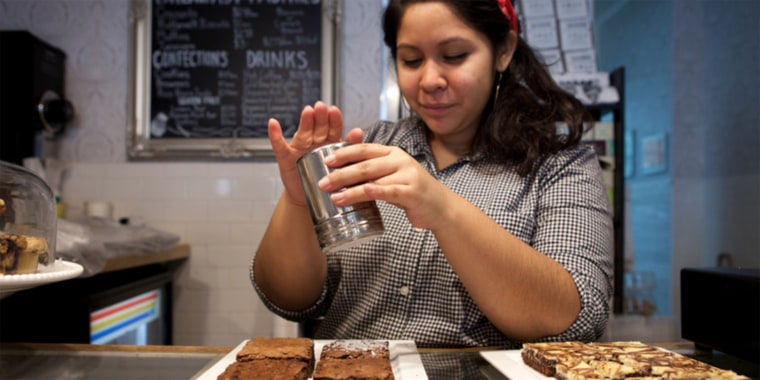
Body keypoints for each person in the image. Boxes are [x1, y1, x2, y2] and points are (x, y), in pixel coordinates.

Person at [251, 0, 613, 348]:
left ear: (503, 50)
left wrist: (443, 210)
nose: (430, 80)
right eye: (410, 60)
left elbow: (576, 319)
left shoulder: (560, 163)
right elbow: (290, 300)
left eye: (454, 56)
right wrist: (300, 200)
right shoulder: (372, 147)